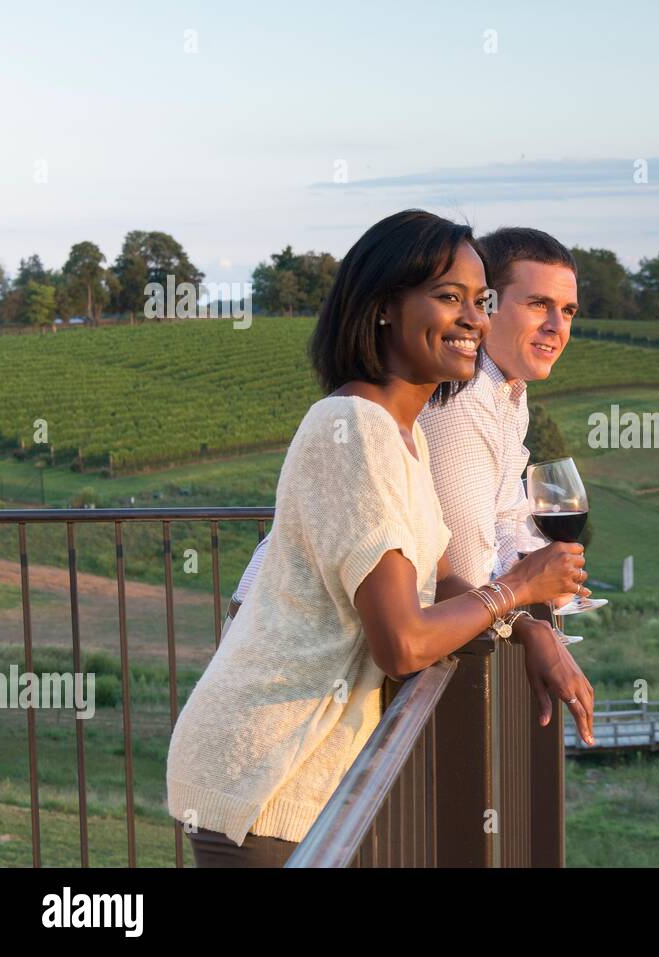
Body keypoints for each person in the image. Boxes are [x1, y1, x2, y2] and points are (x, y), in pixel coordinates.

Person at [166, 210, 592, 867]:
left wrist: (530, 624)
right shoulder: (356, 429)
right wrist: (517, 587)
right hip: (264, 772)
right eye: (449, 297)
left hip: (292, 767)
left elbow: (445, 575)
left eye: (480, 302)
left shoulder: (405, 433)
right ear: (384, 307)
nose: (472, 318)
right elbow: (403, 641)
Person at [225, 226, 593, 735]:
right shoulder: (435, 410)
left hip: (304, 689)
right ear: (385, 308)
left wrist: (527, 609)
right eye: (537, 304)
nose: (556, 326)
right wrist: (522, 597)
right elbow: (429, 614)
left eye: (568, 311)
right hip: (277, 694)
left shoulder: (470, 405)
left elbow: (456, 564)